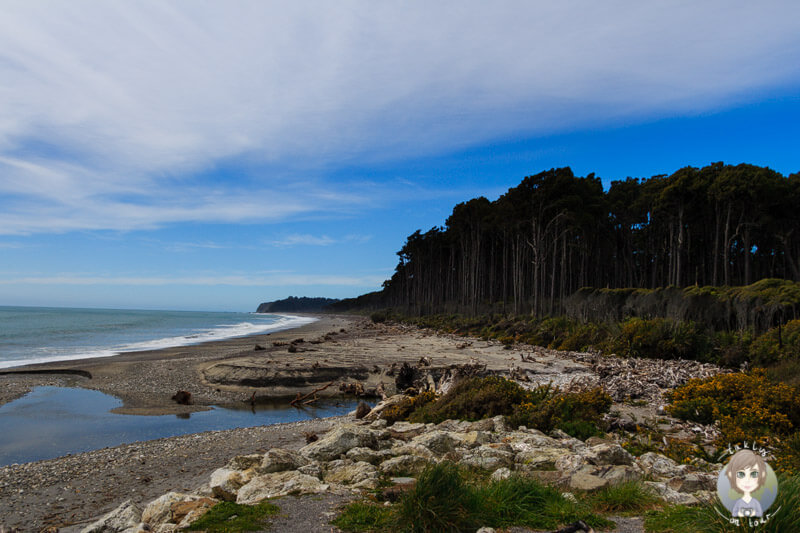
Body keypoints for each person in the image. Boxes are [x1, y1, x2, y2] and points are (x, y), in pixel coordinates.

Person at [725, 449, 767, 517]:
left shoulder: (755, 502)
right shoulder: (738, 502)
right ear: (731, 475)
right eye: (741, 474)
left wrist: (753, 513)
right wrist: (739, 514)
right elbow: (734, 514)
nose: (747, 480)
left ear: (762, 475)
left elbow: (760, 513)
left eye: (754, 474)